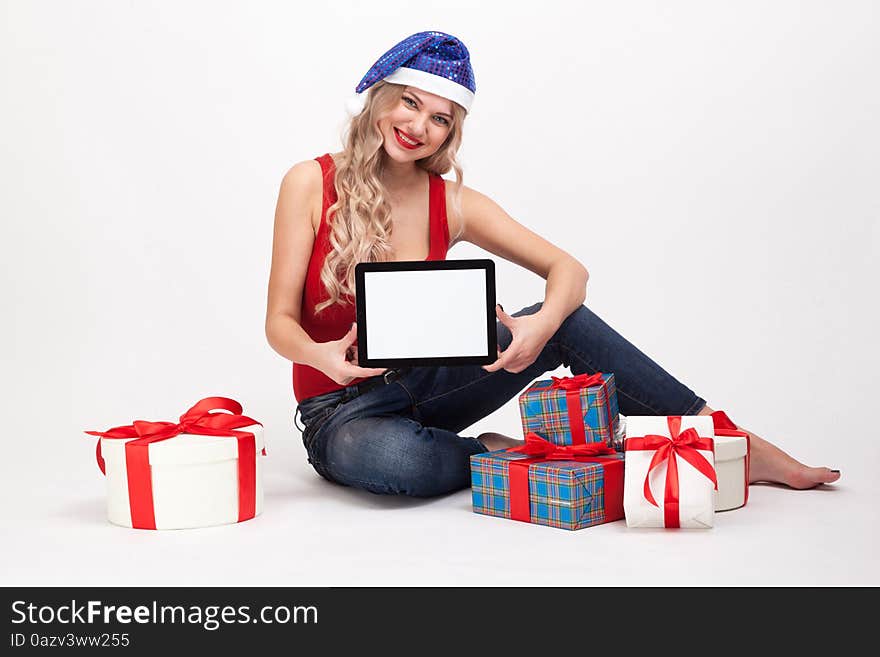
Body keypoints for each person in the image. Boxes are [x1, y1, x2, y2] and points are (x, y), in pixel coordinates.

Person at [265, 31, 839, 498]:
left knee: (561, 315)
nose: (419, 126)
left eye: (440, 118)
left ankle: (726, 439)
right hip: (340, 408)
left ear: (450, 132)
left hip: (429, 382)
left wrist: (539, 326)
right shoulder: (309, 182)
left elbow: (569, 270)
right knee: (399, 461)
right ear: (382, 98)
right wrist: (321, 357)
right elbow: (278, 322)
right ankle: (506, 455)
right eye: (411, 102)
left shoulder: (453, 203)